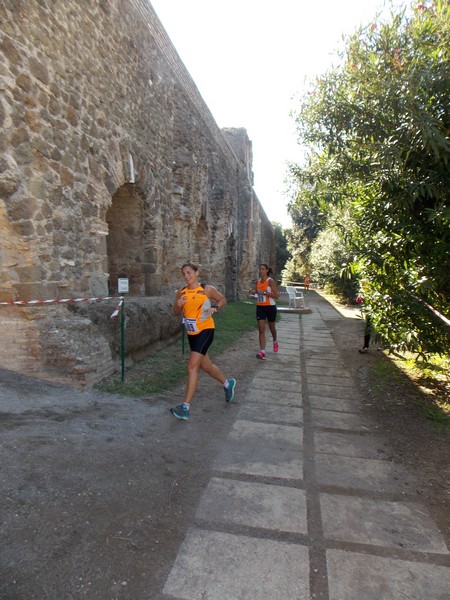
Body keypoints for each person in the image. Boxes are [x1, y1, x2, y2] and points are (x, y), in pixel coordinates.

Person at [170, 262, 236, 420]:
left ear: (197, 272)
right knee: (206, 366)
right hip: (192, 333)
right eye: (184, 274)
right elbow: (176, 312)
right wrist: (178, 305)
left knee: (192, 366)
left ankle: (185, 407)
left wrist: (216, 307)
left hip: (206, 330)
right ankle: (228, 384)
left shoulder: (207, 289)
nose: (187, 276)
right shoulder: (181, 292)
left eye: (189, 272)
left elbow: (222, 299)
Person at [252, 263, 279, 360]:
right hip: (260, 307)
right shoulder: (258, 282)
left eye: (263, 269)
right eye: (260, 269)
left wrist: (264, 292)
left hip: (270, 307)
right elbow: (257, 294)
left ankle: (275, 341)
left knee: (272, 328)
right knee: (261, 329)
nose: (261, 271)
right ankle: (262, 351)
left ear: (267, 270)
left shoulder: (270, 281)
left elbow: (276, 296)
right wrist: (253, 292)